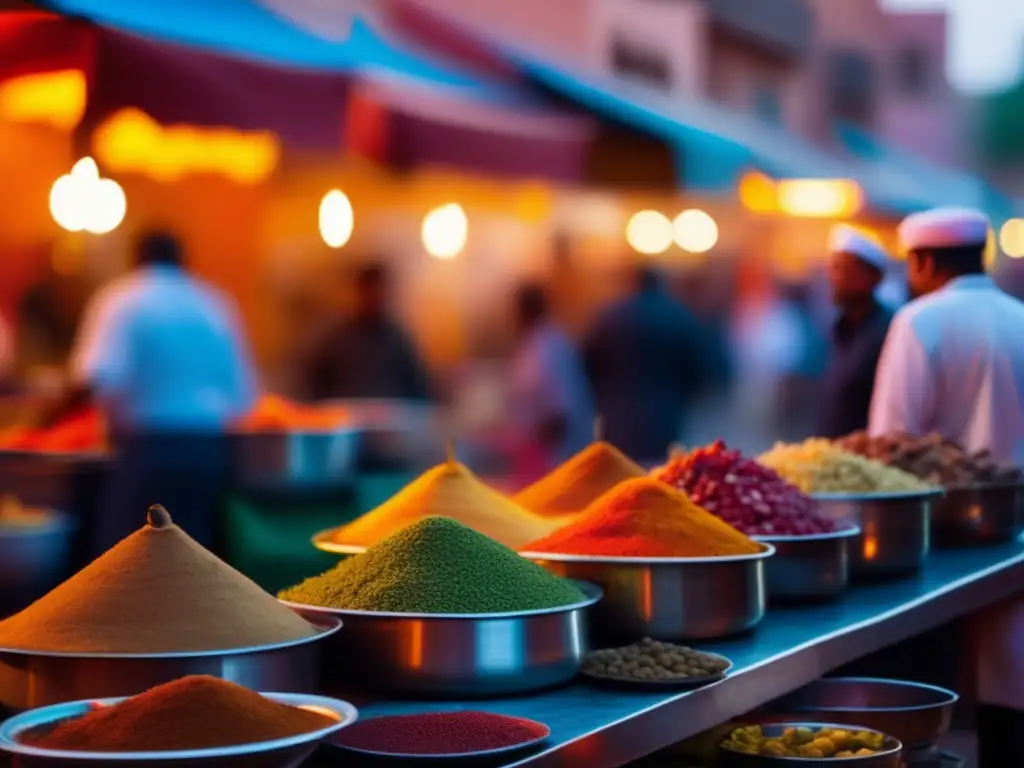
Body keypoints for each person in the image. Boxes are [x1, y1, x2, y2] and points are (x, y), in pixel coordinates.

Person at [59, 231, 258, 552]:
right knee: (196, 564)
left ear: (135, 257)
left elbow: (95, 377)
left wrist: (49, 417)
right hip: (211, 452)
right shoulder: (213, 302)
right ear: (183, 259)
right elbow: (244, 396)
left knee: (128, 563)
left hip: (147, 452)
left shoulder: (123, 299)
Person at [868, 207, 1024, 463]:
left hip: (944, 499)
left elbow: (891, 436)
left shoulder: (917, 320)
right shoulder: (1020, 316)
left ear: (924, 264)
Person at [582, 264, 710, 463]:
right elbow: (698, 367)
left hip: (617, 410)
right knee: (660, 469)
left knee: (620, 469)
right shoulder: (678, 316)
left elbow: (588, 364)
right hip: (666, 410)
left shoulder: (609, 316)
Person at [301, 262, 432, 401]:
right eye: (370, 290)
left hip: (391, 417)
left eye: (379, 290)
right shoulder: (337, 339)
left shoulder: (399, 339)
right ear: (359, 291)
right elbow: (315, 383)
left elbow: (419, 388)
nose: (375, 297)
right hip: (345, 416)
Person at [506, 283, 593, 479]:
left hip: (556, 457)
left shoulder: (550, 349)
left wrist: (536, 445)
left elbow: (560, 410)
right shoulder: (532, 345)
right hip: (536, 454)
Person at [816, 225, 893, 438]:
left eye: (843, 269)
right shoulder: (838, 328)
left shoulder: (889, 330)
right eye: (832, 269)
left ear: (872, 277)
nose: (834, 278)